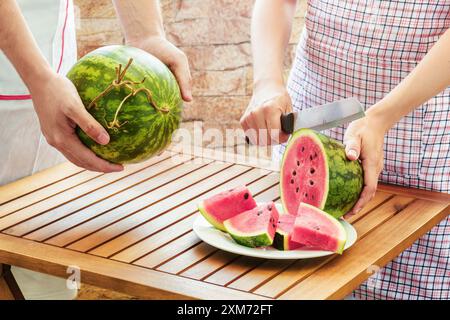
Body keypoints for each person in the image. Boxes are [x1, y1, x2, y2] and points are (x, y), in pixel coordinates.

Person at [241, 0, 449, 299]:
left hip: (415, 138)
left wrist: (381, 118)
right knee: (295, 286)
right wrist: (267, 83)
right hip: (315, 115)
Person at [0, 0, 191, 299]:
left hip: (55, 84)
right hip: (32, 75)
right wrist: (37, 77)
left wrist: (147, 36)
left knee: (43, 269)